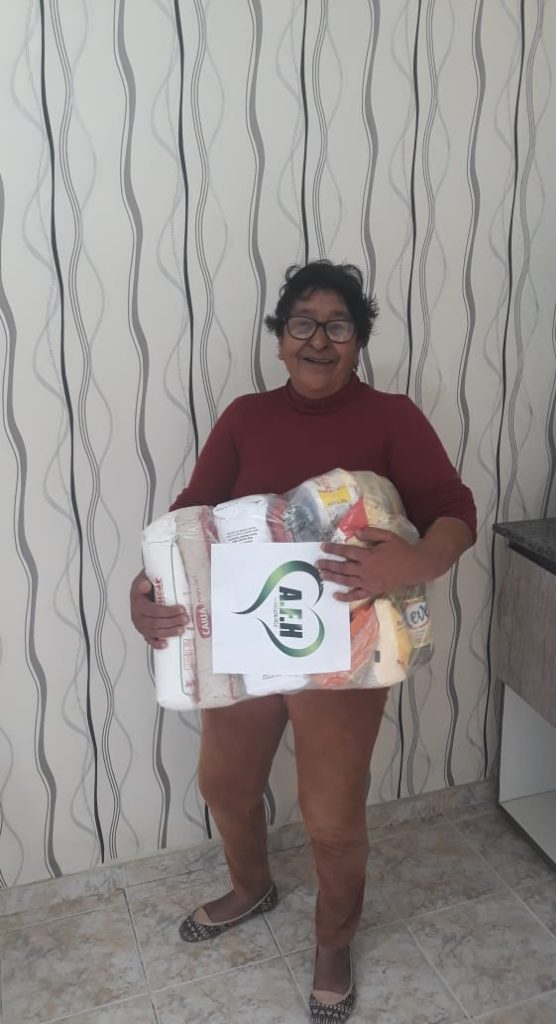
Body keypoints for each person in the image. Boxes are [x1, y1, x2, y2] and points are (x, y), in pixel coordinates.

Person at [130, 261, 476, 1022]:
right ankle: (252, 888)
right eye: (303, 324)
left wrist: (412, 561)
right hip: (248, 640)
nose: (319, 339)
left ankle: (332, 942)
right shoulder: (245, 417)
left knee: (332, 817)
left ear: (359, 340)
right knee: (225, 783)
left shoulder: (392, 416)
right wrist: (146, 590)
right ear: (281, 338)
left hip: (346, 653)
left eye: (338, 325)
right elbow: (191, 516)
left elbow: (453, 509)